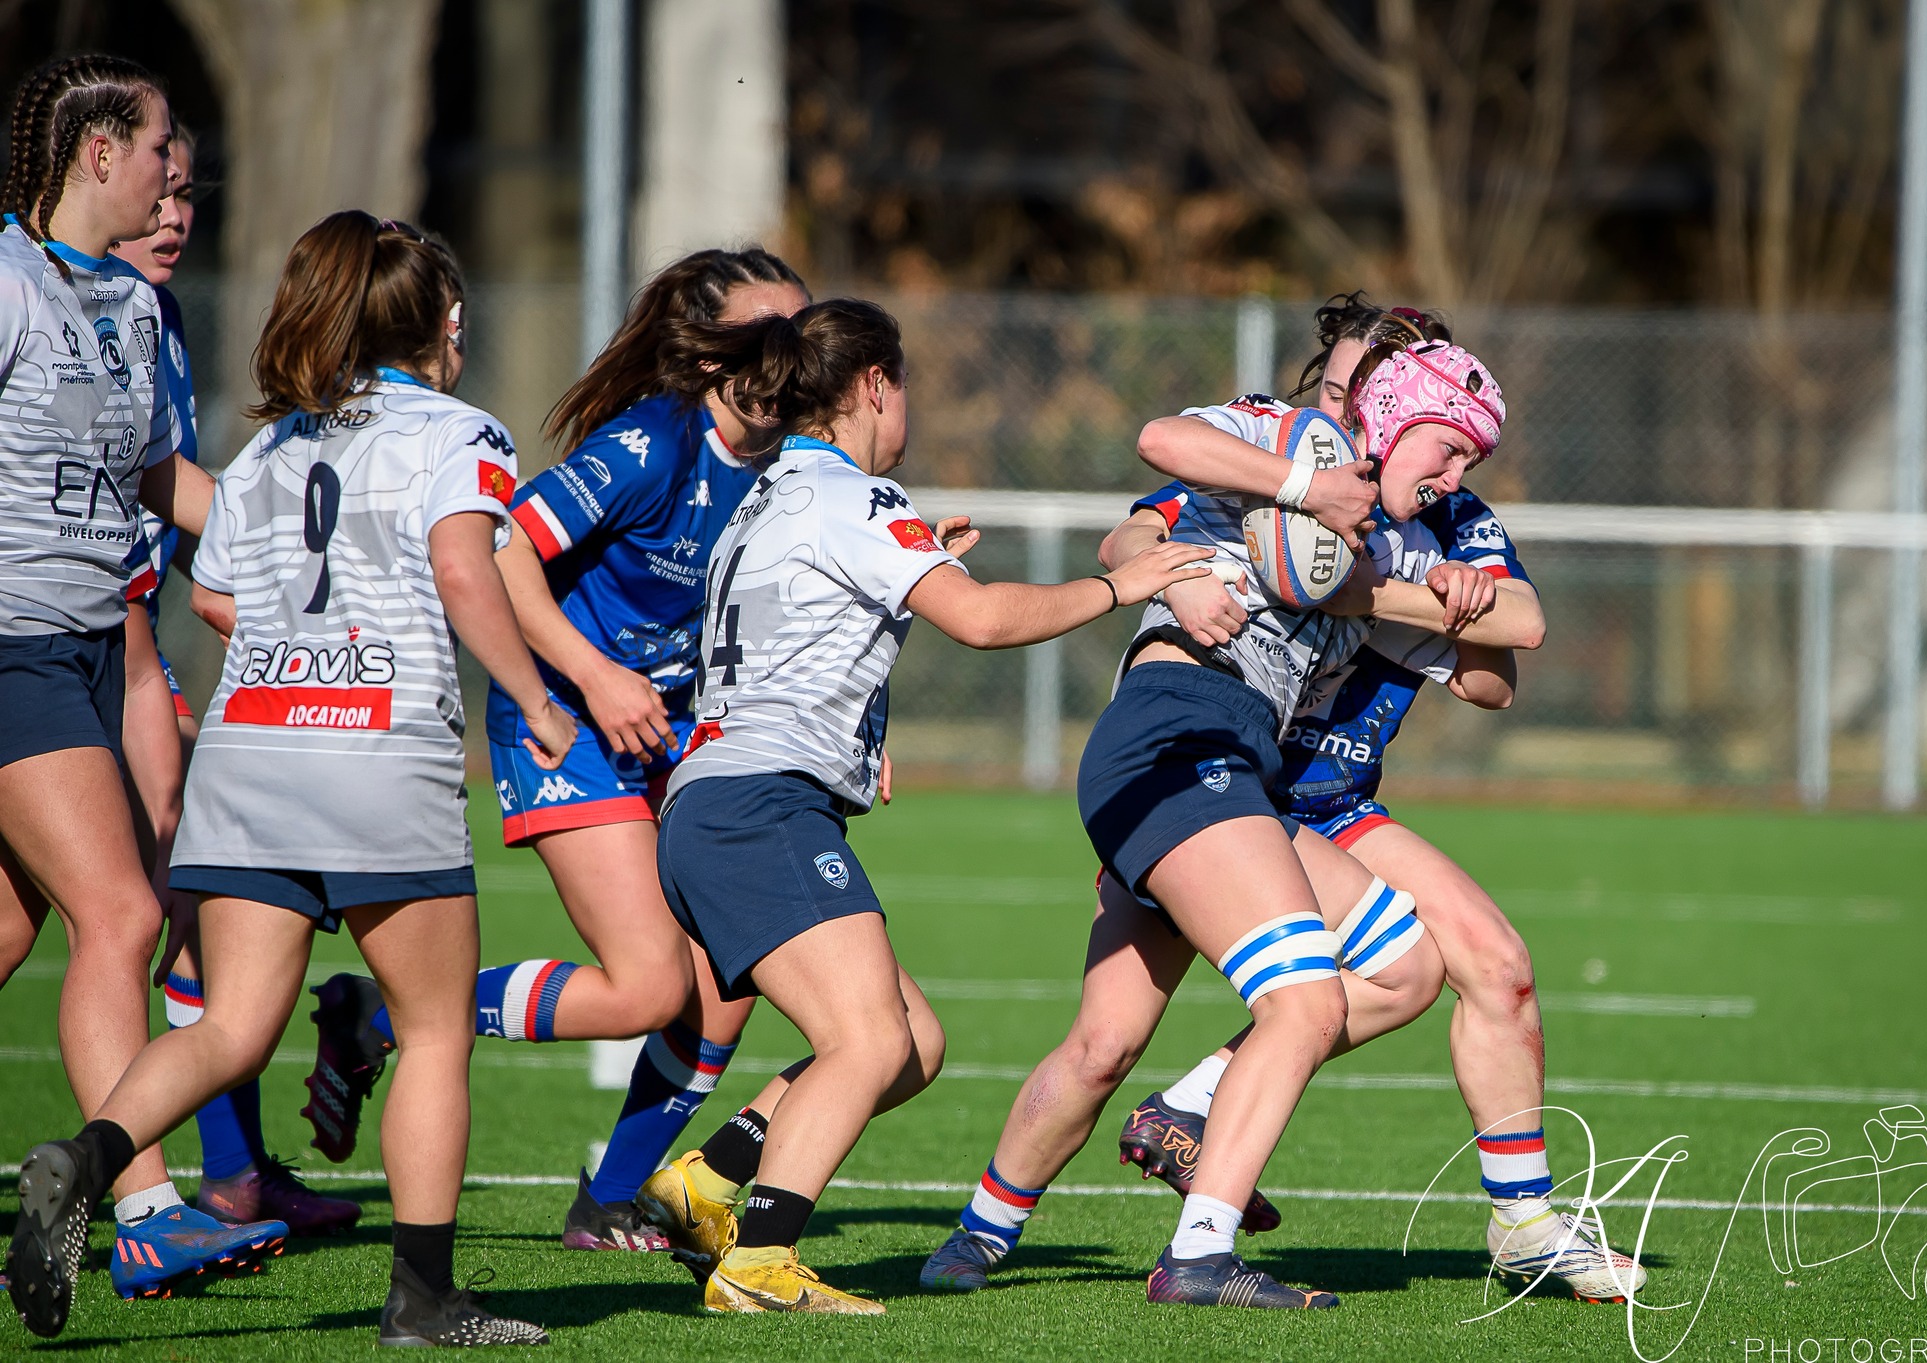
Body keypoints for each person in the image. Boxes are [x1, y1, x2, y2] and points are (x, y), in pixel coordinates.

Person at [7, 210, 575, 1347]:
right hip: (374, 754)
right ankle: (423, 1298)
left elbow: (214, 592)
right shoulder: (459, 432)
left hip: (251, 752)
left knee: (232, 1028)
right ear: (441, 324)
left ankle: (92, 1155)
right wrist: (537, 699)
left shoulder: (269, 446)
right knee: (431, 1032)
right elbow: (467, 577)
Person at [919, 336, 1546, 1310]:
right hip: (1181, 735)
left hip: (1233, 776)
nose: (1459, 475)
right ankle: (1199, 1257)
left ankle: (976, 1234)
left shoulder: (1396, 537)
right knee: (1304, 1004)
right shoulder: (1284, 436)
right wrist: (1224, 537)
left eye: (1471, 462)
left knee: (1134, 1036)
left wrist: (1450, 594)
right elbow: (1157, 445)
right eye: (1449, 449)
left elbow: (1505, 647)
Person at [645, 297, 1212, 1314]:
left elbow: (806, 633)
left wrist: (911, 569)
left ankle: (708, 1181)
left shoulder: (774, 494)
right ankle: (760, 1261)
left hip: (727, 799)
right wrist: (1121, 588)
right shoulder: (855, 499)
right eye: (902, 384)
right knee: (865, 1042)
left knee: (908, 1040)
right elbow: (985, 619)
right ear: (874, 385)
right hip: (756, 806)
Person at [1110, 299, 1645, 1302]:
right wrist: (1185, 566)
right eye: (1337, 387)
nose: (1343, 407)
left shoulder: (1439, 515)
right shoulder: (1282, 452)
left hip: (1338, 796)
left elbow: (1504, 655)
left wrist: (1381, 591)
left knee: (1497, 965)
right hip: (1244, 781)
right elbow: (1133, 524)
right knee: (1109, 1034)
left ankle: (1523, 1223)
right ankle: (1015, 1220)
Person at [299, 248, 810, 1259]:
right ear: (710, 355)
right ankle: (384, 1015)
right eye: (768, 331)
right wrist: (596, 676)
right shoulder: (650, 442)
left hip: (669, 733)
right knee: (647, 987)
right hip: (568, 723)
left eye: (806, 328)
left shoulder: (791, 464)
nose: (795, 352)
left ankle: (609, 1200)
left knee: (726, 983)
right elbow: (504, 553)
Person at [0, 54, 280, 1307]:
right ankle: (149, 1209)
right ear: (97, 152)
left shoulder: (127, 305)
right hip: (9, 648)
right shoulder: (4, 283)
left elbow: (169, 483)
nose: (178, 173)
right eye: (162, 144)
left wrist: (302, 553)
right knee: (118, 916)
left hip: (75, 650)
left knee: (13, 928)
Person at [110, 122, 361, 1241]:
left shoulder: (148, 316)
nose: (175, 214)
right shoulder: (48, 301)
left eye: (188, 194)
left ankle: (233, 1171)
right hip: (87, 645)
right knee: (152, 912)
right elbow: (155, 485)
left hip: (128, 641)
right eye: (157, 190)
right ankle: (163, 1187)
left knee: (140, 918)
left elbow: (166, 488)